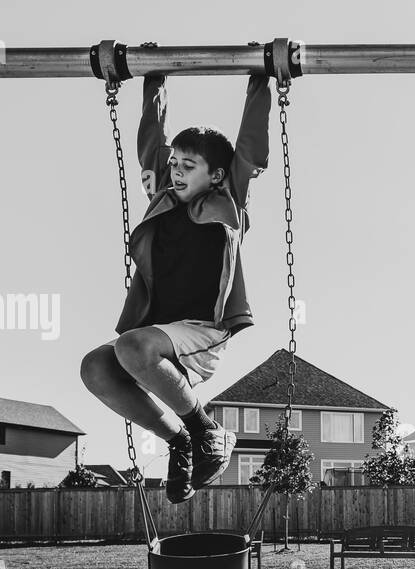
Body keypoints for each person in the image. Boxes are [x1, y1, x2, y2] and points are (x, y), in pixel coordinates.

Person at [81, 66, 272, 503]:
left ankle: (206, 431)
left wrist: (261, 77)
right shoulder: (162, 195)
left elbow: (248, 146)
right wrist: (153, 78)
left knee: (132, 347)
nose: (178, 171)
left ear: (217, 175)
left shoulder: (228, 200)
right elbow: (151, 137)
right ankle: (181, 441)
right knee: (95, 367)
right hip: (161, 340)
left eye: (190, 165)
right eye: (175, 164)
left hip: (201, 334)